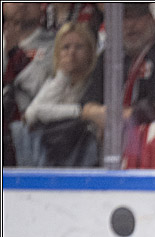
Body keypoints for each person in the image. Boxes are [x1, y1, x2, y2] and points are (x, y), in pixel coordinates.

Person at [79, 2, 155, 169]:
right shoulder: (111, 54)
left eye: (137, 17)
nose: (130, 25)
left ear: (151, 18)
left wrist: (120, 117)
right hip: (111, 138)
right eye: (124, 18)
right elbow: (87, 101)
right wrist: (97, 113)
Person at [19, 21, 99, 167]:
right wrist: (62, 76)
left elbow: (40, 112)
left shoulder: (94, 83)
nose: (71, 52)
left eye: (79, 47)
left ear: (90, 52)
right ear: (57, 53)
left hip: (82, 155)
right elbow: (31, 114)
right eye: (66, 47)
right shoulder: (57, 82)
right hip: (51, 153)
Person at [3, 2, 55, 165]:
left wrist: (15, 55)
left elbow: (43, 88)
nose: (23, 4)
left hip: (34, 142)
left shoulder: (57, 43)